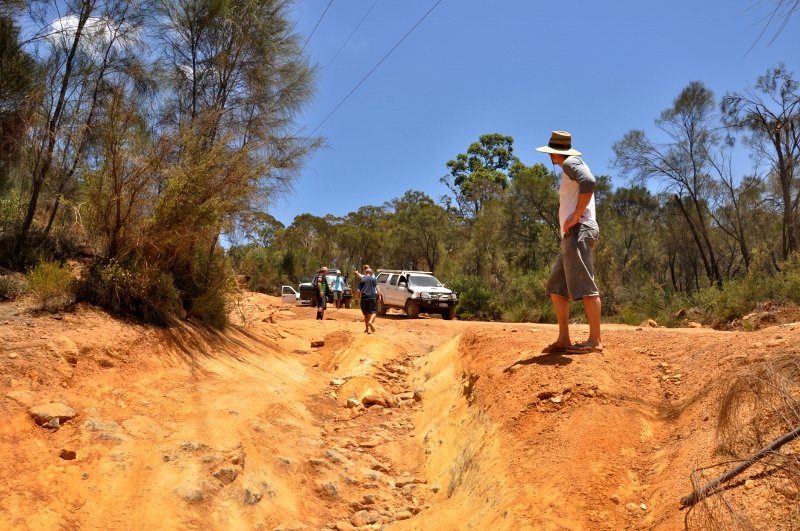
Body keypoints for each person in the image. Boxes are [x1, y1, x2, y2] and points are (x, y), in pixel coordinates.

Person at [535, 131, 603, 354]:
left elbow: (589, 182)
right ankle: (564, 339)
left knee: (585, 285)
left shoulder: (570, 162)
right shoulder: (570, 164)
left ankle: (595, 341)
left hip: (578, 231)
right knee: (556, 286)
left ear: (554, 152)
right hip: (570, 236)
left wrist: (576, 216)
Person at [356, 268, 382, 333]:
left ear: (366, 272)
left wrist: (356, 299)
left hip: (364, 298)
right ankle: (370, 322)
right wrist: (379, 295)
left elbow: (358, 291)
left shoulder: (362, 280)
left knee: (366, 314)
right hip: (371, 297)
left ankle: (367, 329)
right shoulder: (373, 279)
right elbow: (377, 287)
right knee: (374, 312)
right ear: (371, 273)